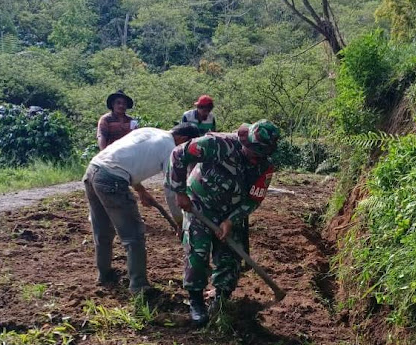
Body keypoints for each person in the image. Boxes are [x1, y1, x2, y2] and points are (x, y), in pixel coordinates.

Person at [166, 120, 280, 324]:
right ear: (246, 141)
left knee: (230, 259)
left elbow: (254, 199)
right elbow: (178, 154)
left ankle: (220, 300)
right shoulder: (218, 144)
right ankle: (196, 302)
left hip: (230, 213)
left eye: (259, 154)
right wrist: (180, 192)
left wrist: (231, 220)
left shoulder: (265, 167)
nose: (255, 157)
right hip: (199, 205)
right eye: (252, 151)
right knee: (198, 252)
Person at [84, 123, 201, 294]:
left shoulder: (150, 131)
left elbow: (124, 158)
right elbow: (171, 192)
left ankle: (104, 275)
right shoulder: (170, 149)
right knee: (134, 236)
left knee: (102, 230)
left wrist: (141, 190)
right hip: (112, 180)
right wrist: (179, 221)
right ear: (183, 139)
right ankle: (139, 286)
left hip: (93, 170)